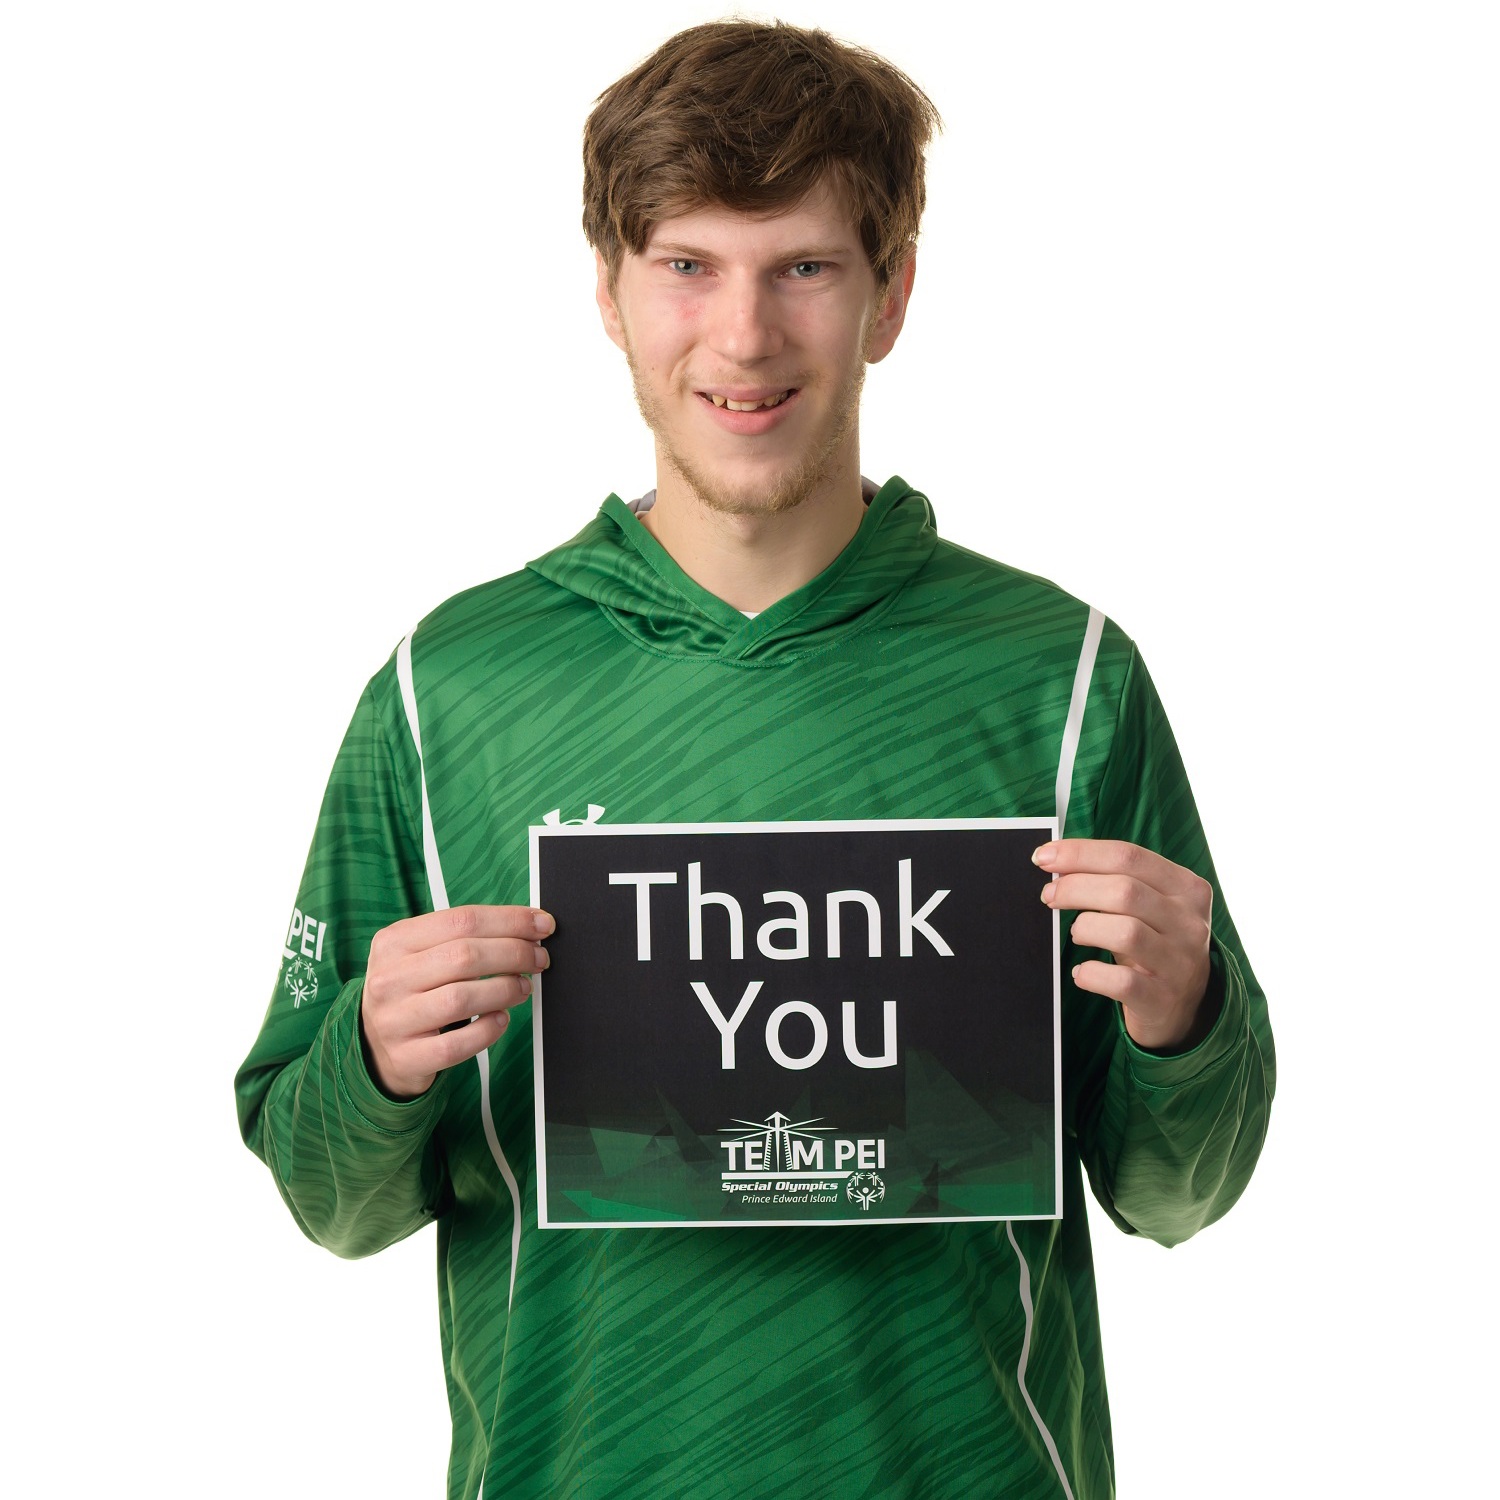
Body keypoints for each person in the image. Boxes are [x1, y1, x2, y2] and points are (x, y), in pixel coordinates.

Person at [236, 19, 1274, 1498]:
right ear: (607, 291)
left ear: (891, 293)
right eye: (687, 265)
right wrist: (372, 1063)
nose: (742, 337)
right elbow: (326, 1194)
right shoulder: (446, 690)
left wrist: (1190, 1020)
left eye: (802, 265)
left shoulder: (1064, 678)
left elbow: (1179, 1193)